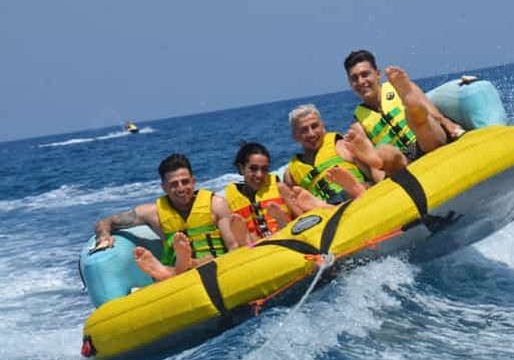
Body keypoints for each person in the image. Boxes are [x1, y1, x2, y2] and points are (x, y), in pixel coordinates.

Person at [93, 153, 246, 281]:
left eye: (185, 182)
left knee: (208, 260)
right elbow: (106, 222)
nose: (180, 188)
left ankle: (181, 265)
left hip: (217, 267)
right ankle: (175, 266)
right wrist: (104, 235)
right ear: (164, 187)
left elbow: (232, 246)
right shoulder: (153, 213)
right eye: (173, 184)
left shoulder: (216, 204)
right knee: (180, 269)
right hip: (181, 279)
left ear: (193, 181)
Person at [342, 49, 465, 174]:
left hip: (426, 139)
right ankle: (378, 160)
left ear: (378, 74)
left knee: (418, 119)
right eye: (354, 78)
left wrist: (450, 126)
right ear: (350, 83)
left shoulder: (400, 87)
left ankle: (414, 107)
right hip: (404, 161)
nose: (361, 81)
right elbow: (374, 169)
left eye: (365, 74)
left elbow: (436, 115)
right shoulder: (357, 124)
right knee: (386, 152)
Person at [282, 104, 372, 215]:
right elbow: (297, 212)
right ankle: (323, 206)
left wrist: (366, 186)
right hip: (327, 213)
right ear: (295, 136)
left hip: (359, 196)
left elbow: (372, 174)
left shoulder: (343, 144)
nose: (311, 134)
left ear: (323, 127)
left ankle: (353, 190)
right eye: (304, 130)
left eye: (314, 126)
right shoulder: (290, 174)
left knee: (356, 190)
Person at [224, 142, 294, 244]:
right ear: (241, 168)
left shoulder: (280, 188)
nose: (259, 175)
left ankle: (282, 225)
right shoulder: (229, 202)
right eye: (253, 168)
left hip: (287, 242)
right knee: (250, 236)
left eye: (264, 169)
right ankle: (247, 241)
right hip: (257, 252)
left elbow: (300, 216)